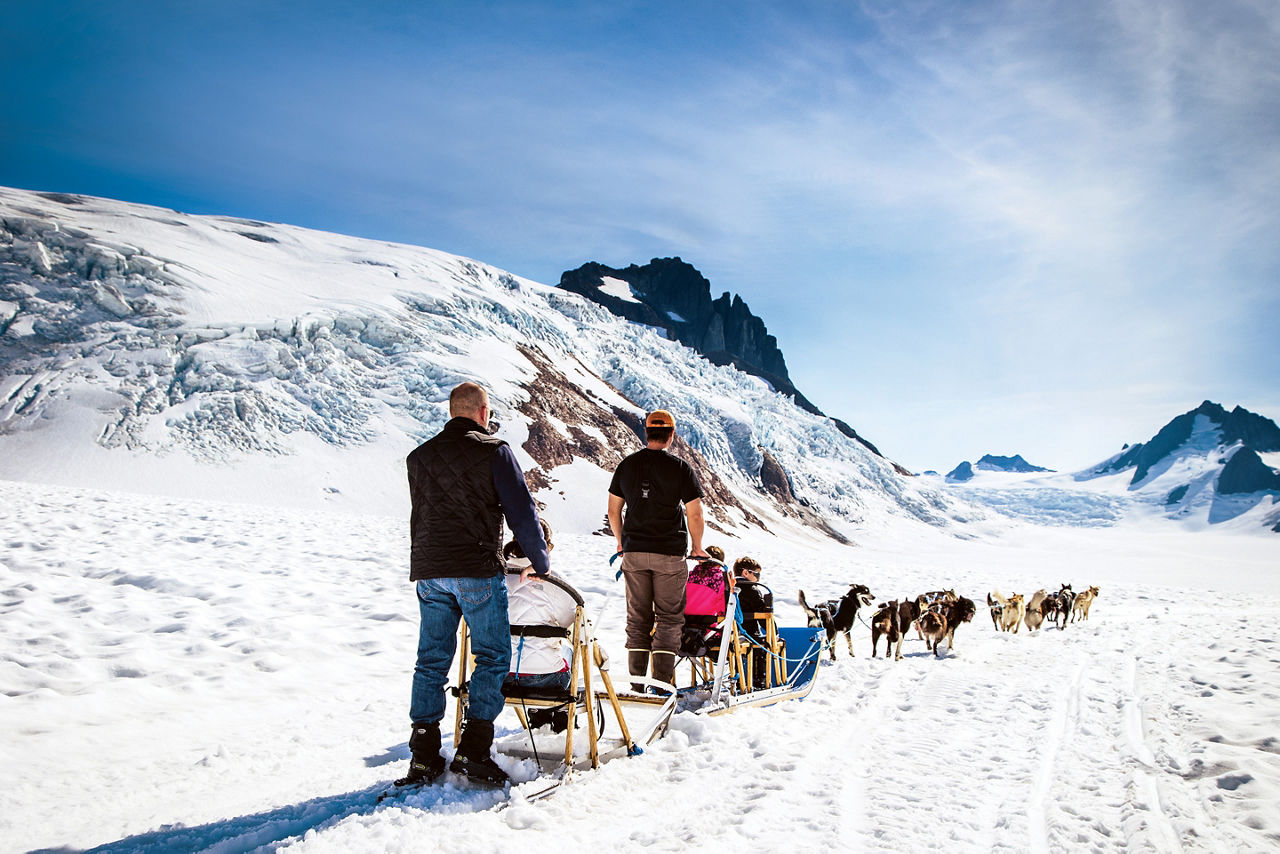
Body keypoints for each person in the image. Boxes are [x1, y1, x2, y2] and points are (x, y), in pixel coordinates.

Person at [398, 382, 549, 789]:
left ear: (452, 412)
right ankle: (474, 750)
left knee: (430, 660)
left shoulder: (419, 456)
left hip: (430, 571)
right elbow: (522, 510)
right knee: (493, 655)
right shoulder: (494, 450)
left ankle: (424, 756)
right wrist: (541, 561)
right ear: (483, 412)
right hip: (476, 568)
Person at [608, 409, 707, 689]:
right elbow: (694, 513)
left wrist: (621, 541)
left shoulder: (627, 466)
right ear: (671, 435)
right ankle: (661, 686)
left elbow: (614, 509)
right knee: (668, 618)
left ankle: (636, 686)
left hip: (634, 553)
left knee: (638, 618)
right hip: (669, 554)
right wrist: (697, 547)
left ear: (646, 432)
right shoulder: (680, 468)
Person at [502, 519, 573, 697]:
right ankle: (550, 718)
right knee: (569, 651)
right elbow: (572, 623)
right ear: (546, 546)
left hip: (497, 674)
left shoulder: (497, 575)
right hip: (544, 677)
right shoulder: (554, 580)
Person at [732, 556, 775, 689]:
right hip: (750, 634)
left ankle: (737, 680)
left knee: (734, 651)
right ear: (746, 573)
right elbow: (763, 617)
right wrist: (774, 632)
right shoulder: (753, 590)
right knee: (761, 648)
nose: (758, 578)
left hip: (732, 634)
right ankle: (758, 681)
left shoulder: (729, 589)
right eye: (756, 574)